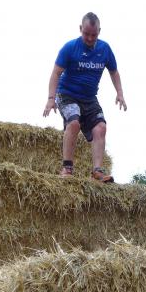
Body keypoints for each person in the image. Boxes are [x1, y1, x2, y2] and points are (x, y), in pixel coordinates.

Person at [43, 12, 127, 183]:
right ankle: (67, 168)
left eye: (93, 35)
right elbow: (56, 73)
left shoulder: (105, 49)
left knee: (101, 127)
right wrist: (51, 98)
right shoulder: (70, 48)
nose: (89, 38)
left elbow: (114, 72)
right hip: (67, 94)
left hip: (89, 98)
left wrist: (120, 93)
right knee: (74, 122)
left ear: (99, 31)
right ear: (80, 29)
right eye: (86, 34)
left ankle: (97, 171)